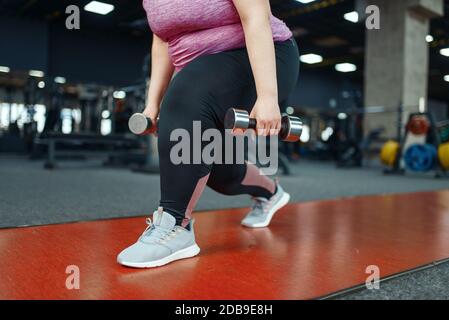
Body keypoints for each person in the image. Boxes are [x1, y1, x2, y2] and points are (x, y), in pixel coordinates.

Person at [117, 0, 300, 268]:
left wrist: (267, 97)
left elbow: (256, 18)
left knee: (184, 98)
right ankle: (270, 193)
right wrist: (152, 104)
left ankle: (176, 225)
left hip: (264, 55)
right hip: (201, 72)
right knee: (217, 172)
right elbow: (162, 40)